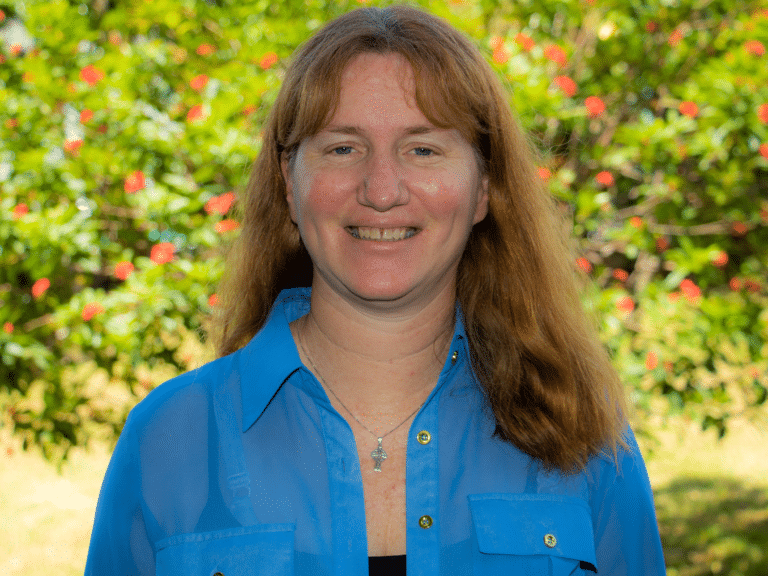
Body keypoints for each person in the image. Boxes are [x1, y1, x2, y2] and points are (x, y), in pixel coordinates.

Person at [85, 5, 667, 575]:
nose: (382, 190)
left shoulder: (580, 431)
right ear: (290, 183)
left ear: (484, 187)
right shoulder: (168, 439)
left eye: (423, 149)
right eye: (343, 147)